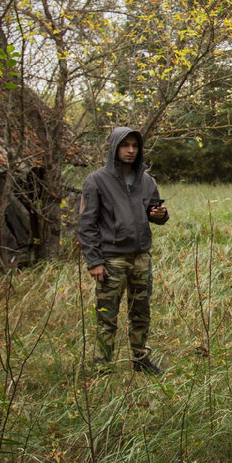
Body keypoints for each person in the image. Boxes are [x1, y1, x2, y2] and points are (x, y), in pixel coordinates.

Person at [79, 126, 169, 374]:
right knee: (107, 315)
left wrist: (160, 214)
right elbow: (86, 224)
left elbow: (155, 214)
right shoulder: (96, 181)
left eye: (135, 146)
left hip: (141, 257)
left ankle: (141, 359)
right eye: (125, 145)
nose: (130, 150)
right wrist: (94, 260)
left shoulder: (147, 180)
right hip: (111, 259)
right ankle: (102, 365)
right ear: (114, 147)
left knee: (141, 312)